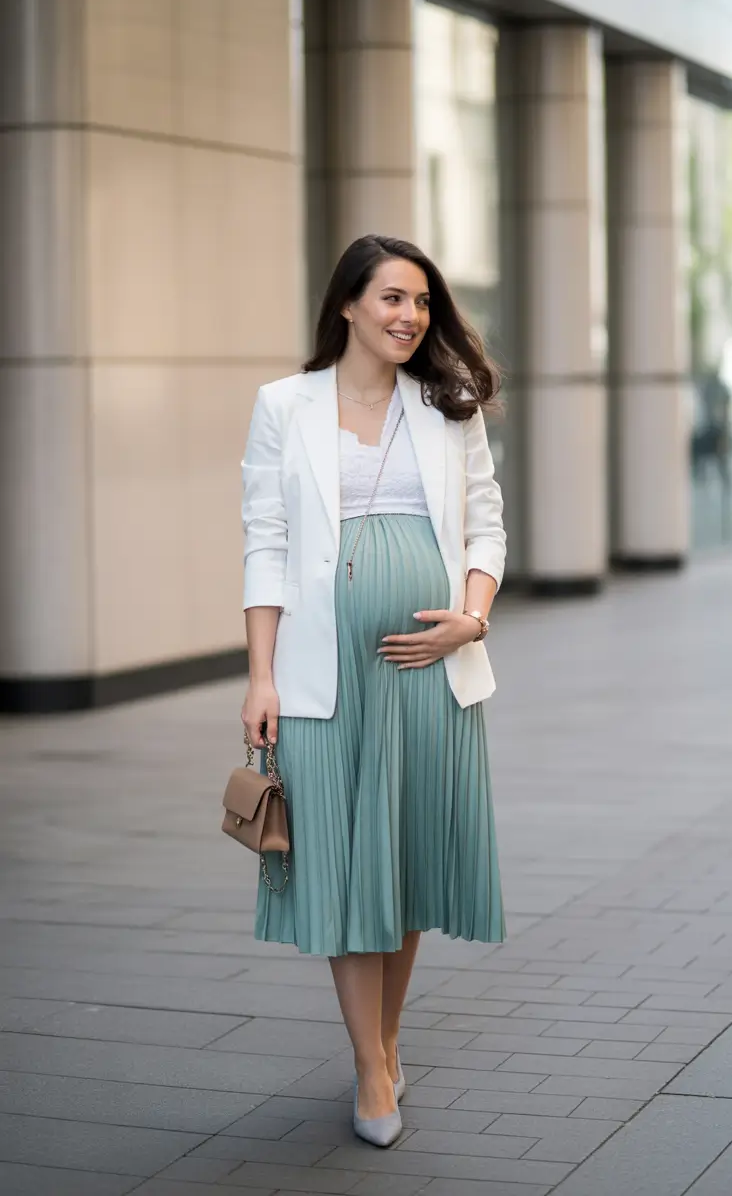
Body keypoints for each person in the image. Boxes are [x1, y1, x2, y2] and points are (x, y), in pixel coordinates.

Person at [240, 235, 507, 1148]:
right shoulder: (284, 405)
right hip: (324, 676)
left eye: (423, 303)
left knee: (402, 860)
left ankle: (388, 1038)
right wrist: (261, 675)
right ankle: (369, 1069)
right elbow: (264, 543)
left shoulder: (446, 407)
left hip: (426, 669)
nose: (411, 317)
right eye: (393, 298)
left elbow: (485, 525)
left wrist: (471, 618)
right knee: (348, 866)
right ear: (348, 303)